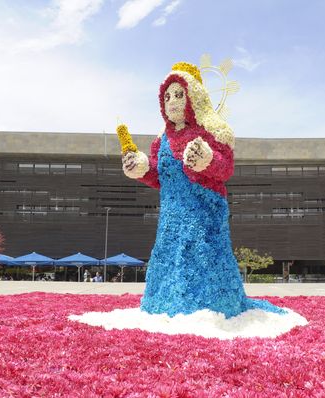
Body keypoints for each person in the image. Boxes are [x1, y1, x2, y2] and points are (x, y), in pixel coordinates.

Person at [120, 62, 286, 318]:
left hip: (203, 212)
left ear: (192, 96)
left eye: (178, 94)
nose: (171, 101)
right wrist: (141, 168)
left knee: (201, 254)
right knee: (169, 256)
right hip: (170, 218)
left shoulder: (212, 132)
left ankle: (210, 307)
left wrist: (207, 160)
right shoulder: (160, 141)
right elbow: (159, 176)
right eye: (166, 96)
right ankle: (165, 304)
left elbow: (226, 169)